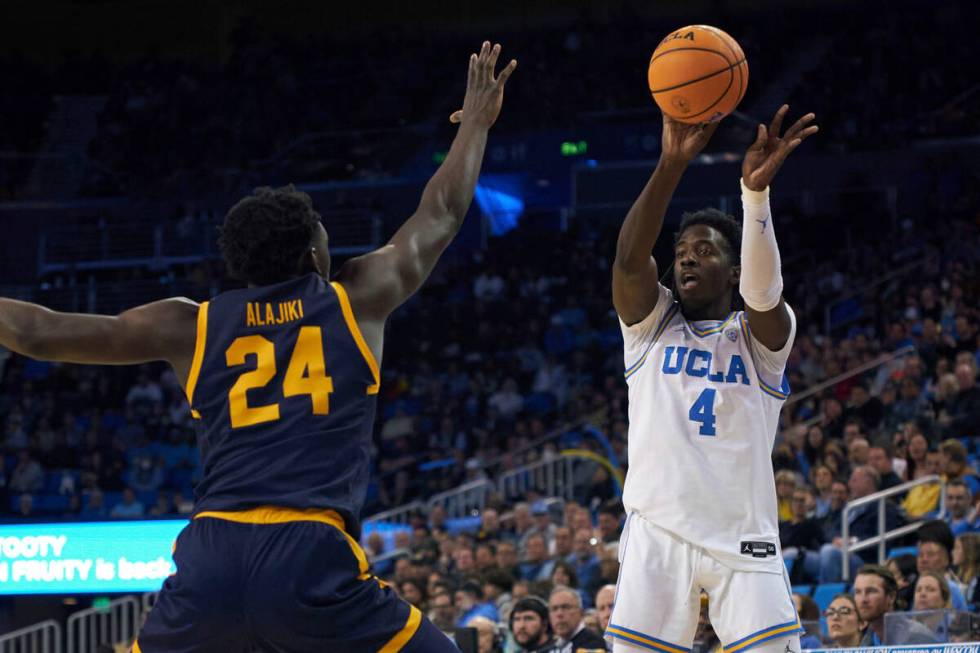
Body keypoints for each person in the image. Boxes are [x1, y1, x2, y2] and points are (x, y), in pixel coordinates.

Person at [0, 42, 516, 653]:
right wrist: (477, 125)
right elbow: (444, 212)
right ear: (312, 254)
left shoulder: (190, 324)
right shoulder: (356, 298)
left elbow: (37, 331)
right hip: (308, 552)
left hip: (211, 554)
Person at [609, 103, 818, 653]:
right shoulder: (650, 327)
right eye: (681, 253)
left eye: (705, 251)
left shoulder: (763, 338)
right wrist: (670, 164)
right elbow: (629, 263)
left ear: (733, 268)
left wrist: (754, 197)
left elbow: (764, 295)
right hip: (659, 531)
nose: (687, 261)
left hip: (742, 537)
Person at [853, 565, 936, 645]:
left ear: (891, 597)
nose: (863, 599)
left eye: (871, 591)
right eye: (858, 592)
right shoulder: (868, 638)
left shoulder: (916, 637)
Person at [547, 586, 607, 652]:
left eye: (566, 607)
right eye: (554, 609)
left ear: (581, 612)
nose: (559, 614)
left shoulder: (594, 644)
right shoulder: (548, 647)